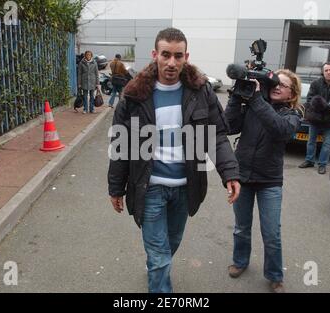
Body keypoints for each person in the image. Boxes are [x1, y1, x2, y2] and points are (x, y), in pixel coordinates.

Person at [107, 27, 241, 293]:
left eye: (177, 56)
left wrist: (230, 173)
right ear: (155, 54)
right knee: (159, 256)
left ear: (186, 56)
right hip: (150, 186)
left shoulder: (200, 91)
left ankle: (156, 267)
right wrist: (115, 188)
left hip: (185, 186)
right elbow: (120, 145)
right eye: (165, 55)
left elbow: (216, 135)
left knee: (171, 244)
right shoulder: (134, 95)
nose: (171, 63)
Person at [225, 69, 302, 293]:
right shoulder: (253, 105)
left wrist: (256, 99)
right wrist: (236, 98)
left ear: (292, 94)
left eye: (284, 85)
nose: (277, 87)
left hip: (270, 181)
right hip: (243, 178)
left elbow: (279, 130)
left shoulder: (292, 115)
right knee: (241, 227)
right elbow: (229, 126)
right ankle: (240, 261)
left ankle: (275, 275)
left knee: (271, 233)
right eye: (275, 83)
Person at [298, 62, 330, 174]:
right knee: (311, 141)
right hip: (315, 117)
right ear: (323, 72)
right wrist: (319, 105)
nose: (328, 72)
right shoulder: (316, 83)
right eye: (326, 70)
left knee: (327, 143)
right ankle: (309, 160)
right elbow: (309, 99)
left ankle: (322, 164)